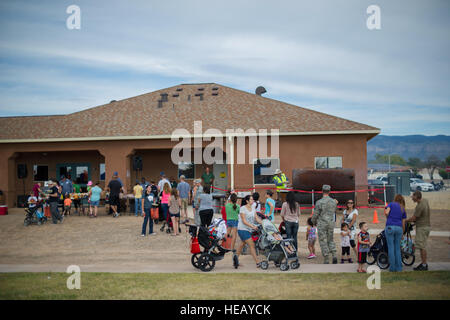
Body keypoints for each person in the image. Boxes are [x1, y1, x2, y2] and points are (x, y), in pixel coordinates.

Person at [311, 184, 338, 264]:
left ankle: (326, 258)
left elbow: (315, 214)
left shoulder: (319, 202)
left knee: (323, 240)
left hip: (322, 223)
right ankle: (334, 254)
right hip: (330, 222)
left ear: (322, 191)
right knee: (331, 239)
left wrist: (313, 221)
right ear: (329, 191)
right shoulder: (333, 202)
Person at [234, 195, 263, 269]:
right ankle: (257, 263)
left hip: (249, 229)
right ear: (247, 201)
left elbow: (257, 218)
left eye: (253, 199)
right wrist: (253, 226)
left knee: (242, 244)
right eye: (251, 199)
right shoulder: (243, 208)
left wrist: (264, 223)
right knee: (251, 245)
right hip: (242, 229)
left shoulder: (253, 208)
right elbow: (244, 221)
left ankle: (235, 258)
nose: (253, 200)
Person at [406, 190, 431, 271]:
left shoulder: (419, 206)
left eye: (413, 197)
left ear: (416, 197)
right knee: (421, 246)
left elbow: (414, 218)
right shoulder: (425, 201)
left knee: (421, 246)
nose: (412, 198)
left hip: (422, 228)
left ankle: (424, 265)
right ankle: (423, 263)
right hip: (426, 226)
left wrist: (405, 221)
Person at [384, 194, 407, 272]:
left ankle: (392, 268)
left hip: (390, 226)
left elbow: (386, 212)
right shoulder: (402, 208)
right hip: (399, 228)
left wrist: (388, 218)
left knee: (391, 248)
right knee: (397, 248)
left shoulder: (391, 204)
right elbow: (403, 223)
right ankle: (399, 268)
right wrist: (403, 233)